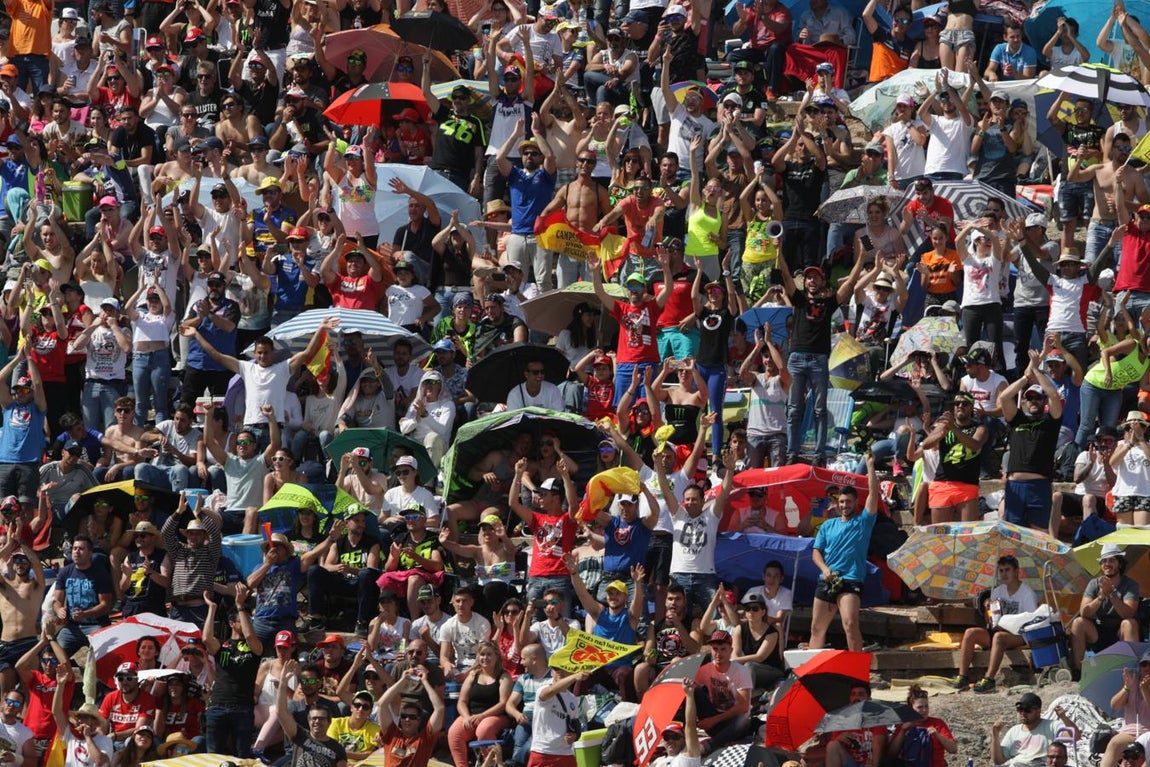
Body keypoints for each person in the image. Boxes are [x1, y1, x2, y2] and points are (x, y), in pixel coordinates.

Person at [780, 250, 865, 466]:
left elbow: (852, 282)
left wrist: (861, 258)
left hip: (818, 360)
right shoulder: (798, 299)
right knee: (794, 409)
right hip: (797, 358)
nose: (811, 281)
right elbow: (786, 275)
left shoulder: (829, 303)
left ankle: (818, 454)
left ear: (822, 280)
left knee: (819, 409)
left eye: (815, 277)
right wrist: (779, 250)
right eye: (808, 277)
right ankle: (792, 453)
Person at [810, 455, 880, 651]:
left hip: (851, 580)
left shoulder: (863, 522)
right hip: (827, 579)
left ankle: (856, 668)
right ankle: (812, 672)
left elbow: (873, 495)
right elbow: (816, 553)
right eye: (841, 502)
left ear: (855, 502)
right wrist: (824, 569)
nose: (844, 505)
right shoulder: (828, 525)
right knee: (816, 628)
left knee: (850, 625)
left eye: (848, 502)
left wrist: (870, 467)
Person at [951, 554, 1038, 694]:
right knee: (970, 633)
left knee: (999, 637)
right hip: (996, 630)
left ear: (1017, 572)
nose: (1004, 574)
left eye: (1007, 570)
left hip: (1018, 634)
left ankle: (989, 679)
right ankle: (963, 676)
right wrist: (987, 608)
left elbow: (1032, 620)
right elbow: (992, 618)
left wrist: (1009, 623)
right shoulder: (997, 591)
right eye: (1001, 570)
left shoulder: (1027, 593)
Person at [998, 352, 1064, 531]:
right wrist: (1026, 378)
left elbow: (1054, 397)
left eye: (1037, 397)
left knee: (1038, 535)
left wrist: (1037, 371)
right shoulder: (1017, 419)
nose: (1033, 401)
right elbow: (1004, 398)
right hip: (1014, 486)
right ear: (1025, 401)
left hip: (1039, 486)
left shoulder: (1050, 421)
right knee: (1013, 535)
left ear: (1043, 401)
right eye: (1029, 398)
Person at [203, 584, 263, 758]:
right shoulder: (222, 646)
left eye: (249, 620)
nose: (247, 623)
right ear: (231, 623)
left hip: (242, 707)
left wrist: (240, 606)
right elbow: (206, 638)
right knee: (213, 757)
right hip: (217, 705)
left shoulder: (255, 646)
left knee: (242, 756)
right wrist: (212, 608)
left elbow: (250, 636)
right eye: (242, 620)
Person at [1068, 543, 1141, 677]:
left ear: (1119, 563)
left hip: (1121, 633)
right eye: (1104, 561)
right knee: (1078, 622)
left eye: (1112, 560)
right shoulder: (1094, 584)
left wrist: (1111, 594)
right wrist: (1101, 596)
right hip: (1098, 631)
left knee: (1129, 623)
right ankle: (1079, 672)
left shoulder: (1130, 585)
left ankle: (1131, 672)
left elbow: (1129, 613)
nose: (1107, 564)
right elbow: (1084, 612)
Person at [275, 660, 347, 767]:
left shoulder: (330, 706)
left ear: (319, 683)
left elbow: (336, 737)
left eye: (311, 681)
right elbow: (280, 712)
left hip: (325, 752)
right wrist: (283, 682)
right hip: (294, 752)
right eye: (303, 681)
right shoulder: (293, 706)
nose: (307, 684)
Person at [51, 536, 114, 655]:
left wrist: (85, 614)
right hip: (72, 627)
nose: (76, 552)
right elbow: (56, 601)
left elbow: (106, 605)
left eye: (81, 549)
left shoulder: (100, 574)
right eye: (74, 548)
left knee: (103, 655)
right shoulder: (65, 572)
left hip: (96, 625)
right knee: (54, 654)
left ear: (90, 553)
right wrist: (59, 610)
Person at [890, 685, 957, 767]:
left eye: (926, 706)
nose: (924, 710)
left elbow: (953, 749)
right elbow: (892, 753)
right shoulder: (904, 725)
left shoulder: (938, 723)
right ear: (911, 708)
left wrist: (937, 735)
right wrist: (902, 731)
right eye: (920, 707)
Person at [991, 692, 1063, 767]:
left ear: (1038, 711)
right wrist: (995, 735)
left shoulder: (1052, 726)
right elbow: (998, 761)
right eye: (1020, 709)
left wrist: (1063, 717)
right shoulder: (1014, 731)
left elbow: (1074, 735)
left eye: (1027, 710)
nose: (1023, 713)